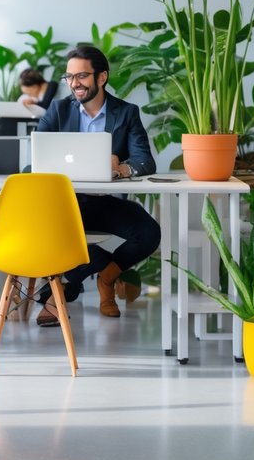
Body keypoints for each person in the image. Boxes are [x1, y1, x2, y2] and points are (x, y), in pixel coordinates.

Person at [32, 44, 159, 326]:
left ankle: (106, 277)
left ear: (102, 77)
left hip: (105, 203)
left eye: (82, 76)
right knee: (70, 241)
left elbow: (145, 161)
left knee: (148, 233)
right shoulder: (58, 109)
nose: (74, 83)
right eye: (69, 77)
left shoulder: (126, 113)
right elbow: (35, 158)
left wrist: (121, 169)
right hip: (65, 204)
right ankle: (58, 296)